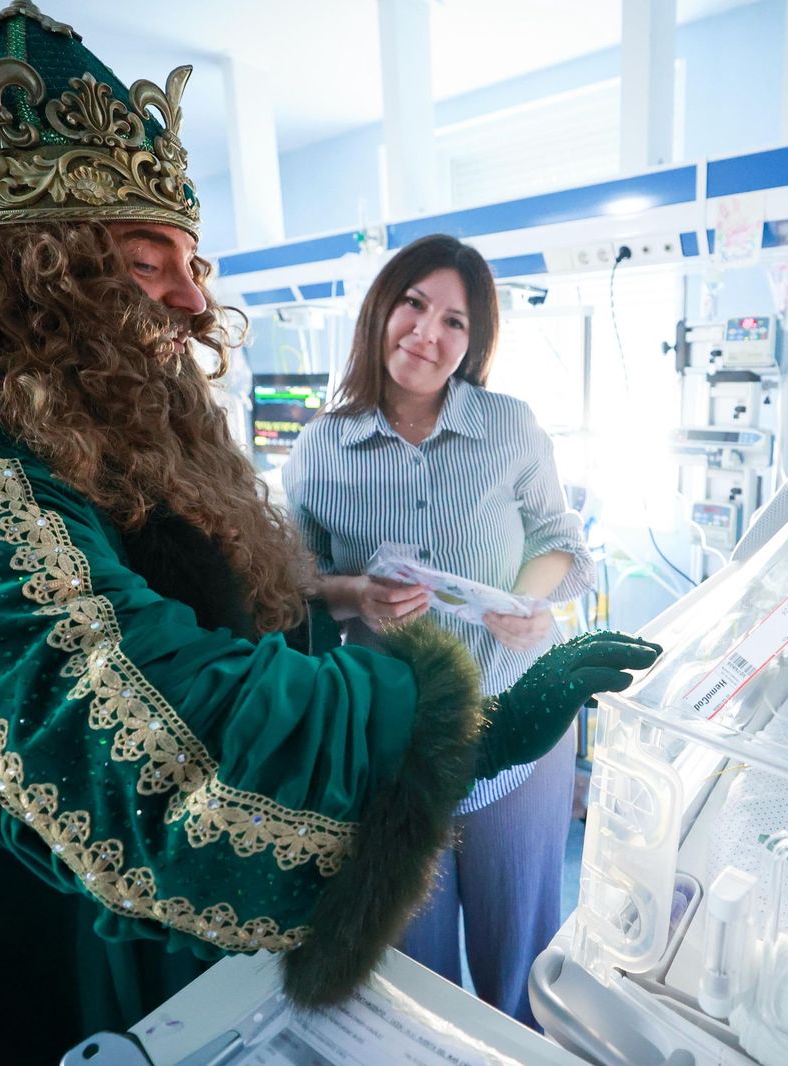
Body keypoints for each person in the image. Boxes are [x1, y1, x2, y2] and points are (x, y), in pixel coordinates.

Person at [0, 6, 659, 1065]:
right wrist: (451, 727)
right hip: (50, 975)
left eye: (191, 258)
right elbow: (156, 741)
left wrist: (349, 615)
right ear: (32, 273)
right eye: (145, 260)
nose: (193, 296)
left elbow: (231, 609)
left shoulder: (116, 445)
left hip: (176, 971)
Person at [285, 234, 595, 1026]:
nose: (428, 333)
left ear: (474, 340)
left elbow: (562, 538)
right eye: (414, 304)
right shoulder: (320, 448)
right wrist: (356, 592)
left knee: (519, 946)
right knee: (411, 963)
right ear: (381, 309)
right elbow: (290, 583)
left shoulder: (508, 427)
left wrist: (527, 602)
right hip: (398, 738)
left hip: (517, 719)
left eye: (455, 321)